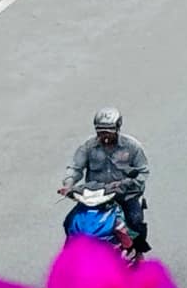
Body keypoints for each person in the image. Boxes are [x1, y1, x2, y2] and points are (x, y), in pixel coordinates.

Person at [59, 108, 150, 254]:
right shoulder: (88, 147)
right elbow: (75, 167)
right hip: (95, 196)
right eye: (101, 131)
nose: (105, 135)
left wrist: (127, 184)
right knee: (70, 222)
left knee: (135, 221)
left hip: (125, 194)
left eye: (109, 131)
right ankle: (72, 256)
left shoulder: (133, 147)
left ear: (118, 128)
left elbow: (142, 172)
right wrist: (68, 185)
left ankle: (138, 254)